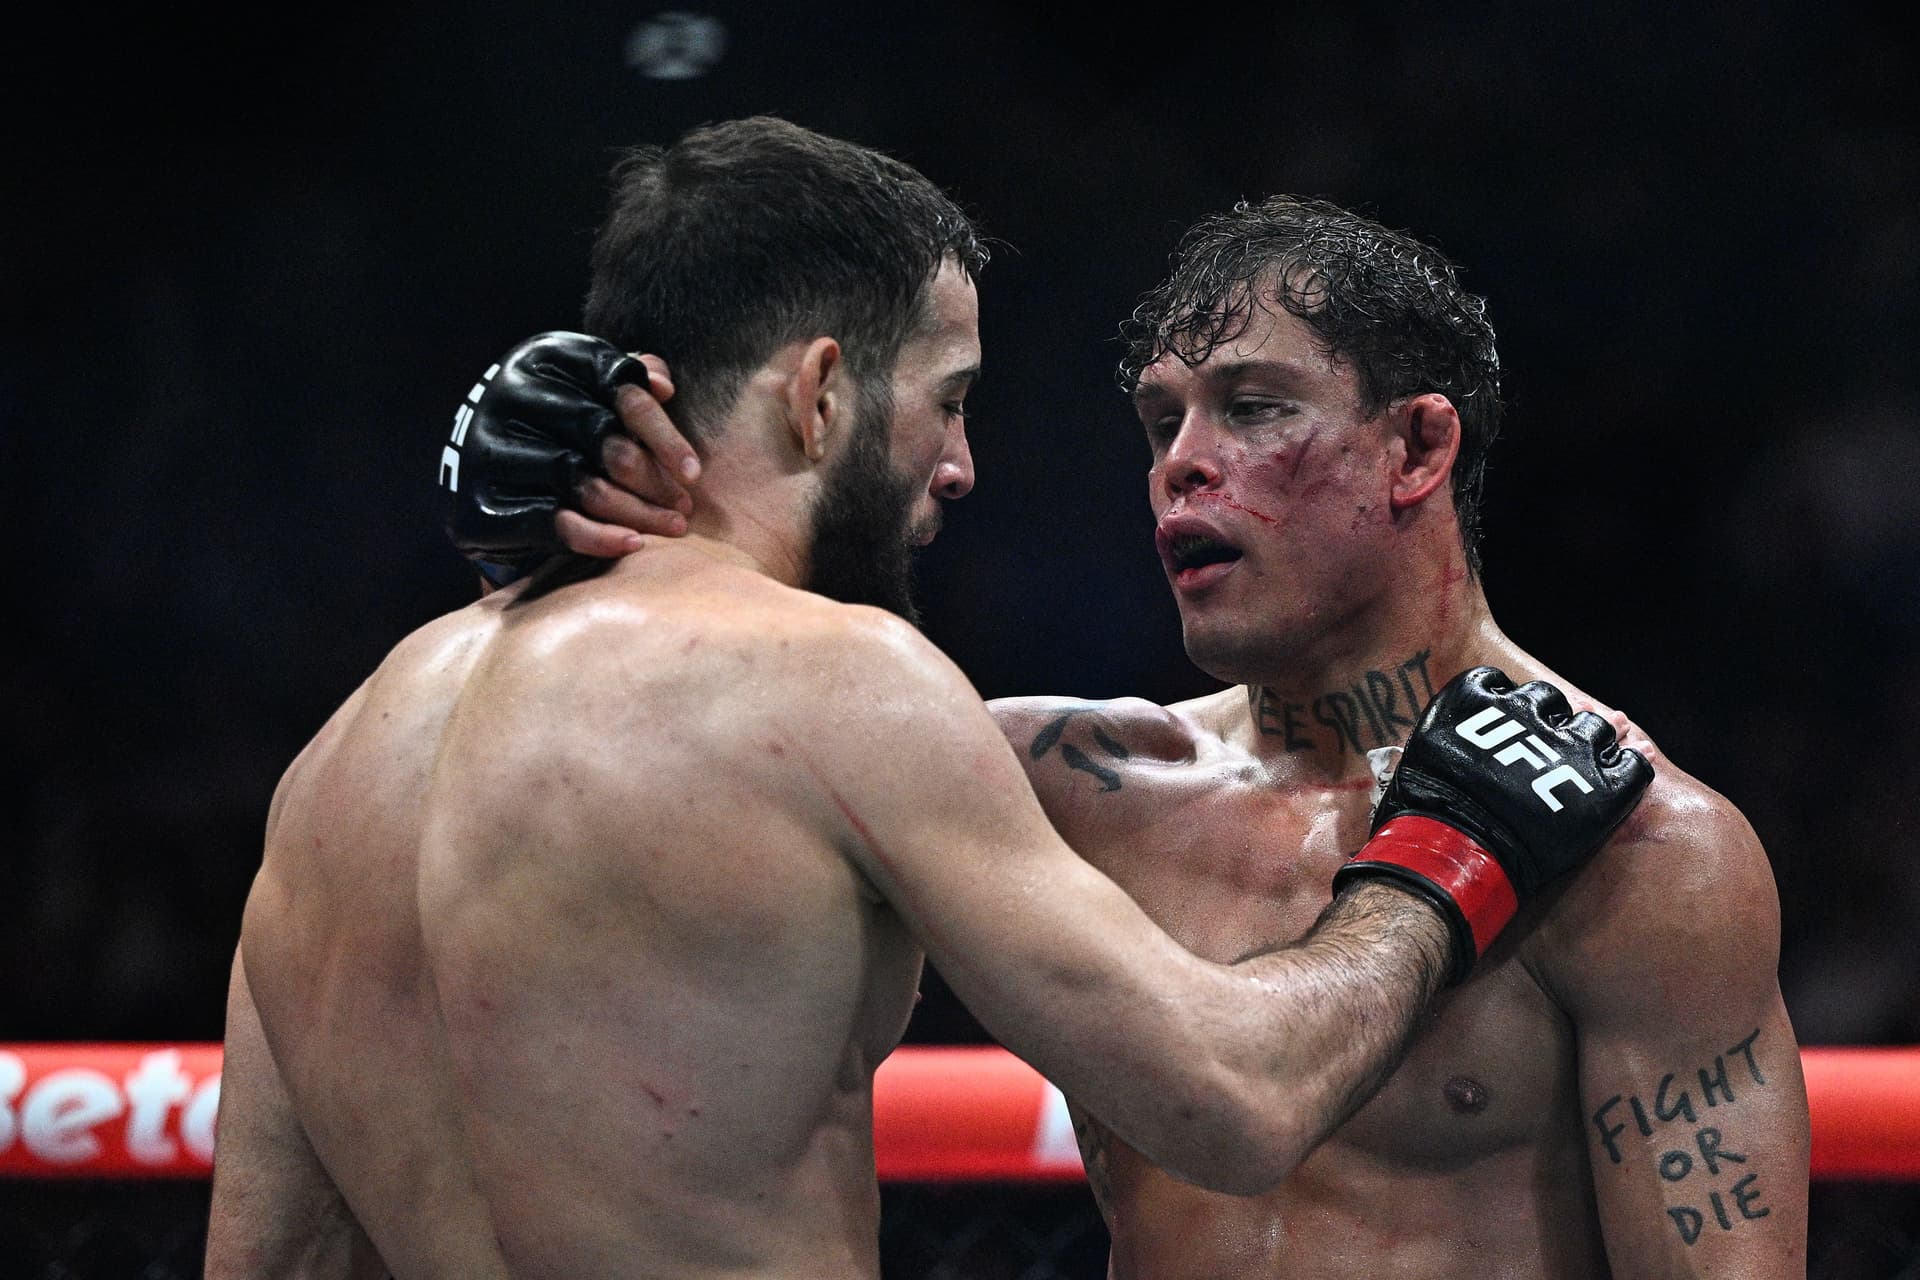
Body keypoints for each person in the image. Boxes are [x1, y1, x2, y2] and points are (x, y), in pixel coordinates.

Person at [204, 121, 1651, 1280]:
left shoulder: (340, 760)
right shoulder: (843, 689)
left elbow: (266, 1258)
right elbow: (1234, 1102)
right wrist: (1446, 858)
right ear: (820, 394)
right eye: (947, 400)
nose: (959, 467)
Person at [468, 194, 1808, 1275]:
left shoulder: (1637, 851)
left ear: (1416, 449)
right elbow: (683, 757)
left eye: (1254, 406)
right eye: (1164, 420)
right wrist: (594, 499)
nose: (1181, 459)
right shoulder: (1070, 787)